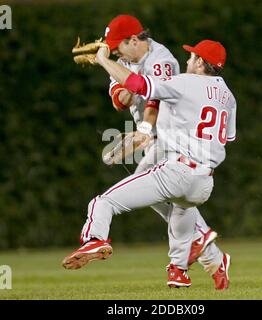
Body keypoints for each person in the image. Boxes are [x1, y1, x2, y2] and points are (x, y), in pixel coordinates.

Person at [63, 37, 236, 289]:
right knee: (182, 207)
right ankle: (180, 269)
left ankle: (95, 239)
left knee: (104, 202)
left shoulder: (186, 82)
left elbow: (136, 84)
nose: (187, 60)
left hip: (178, 171)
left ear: (200, 63)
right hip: (205, 182)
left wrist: (103, 60)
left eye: (191, 56)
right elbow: (227, 137)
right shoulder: (228, 97)